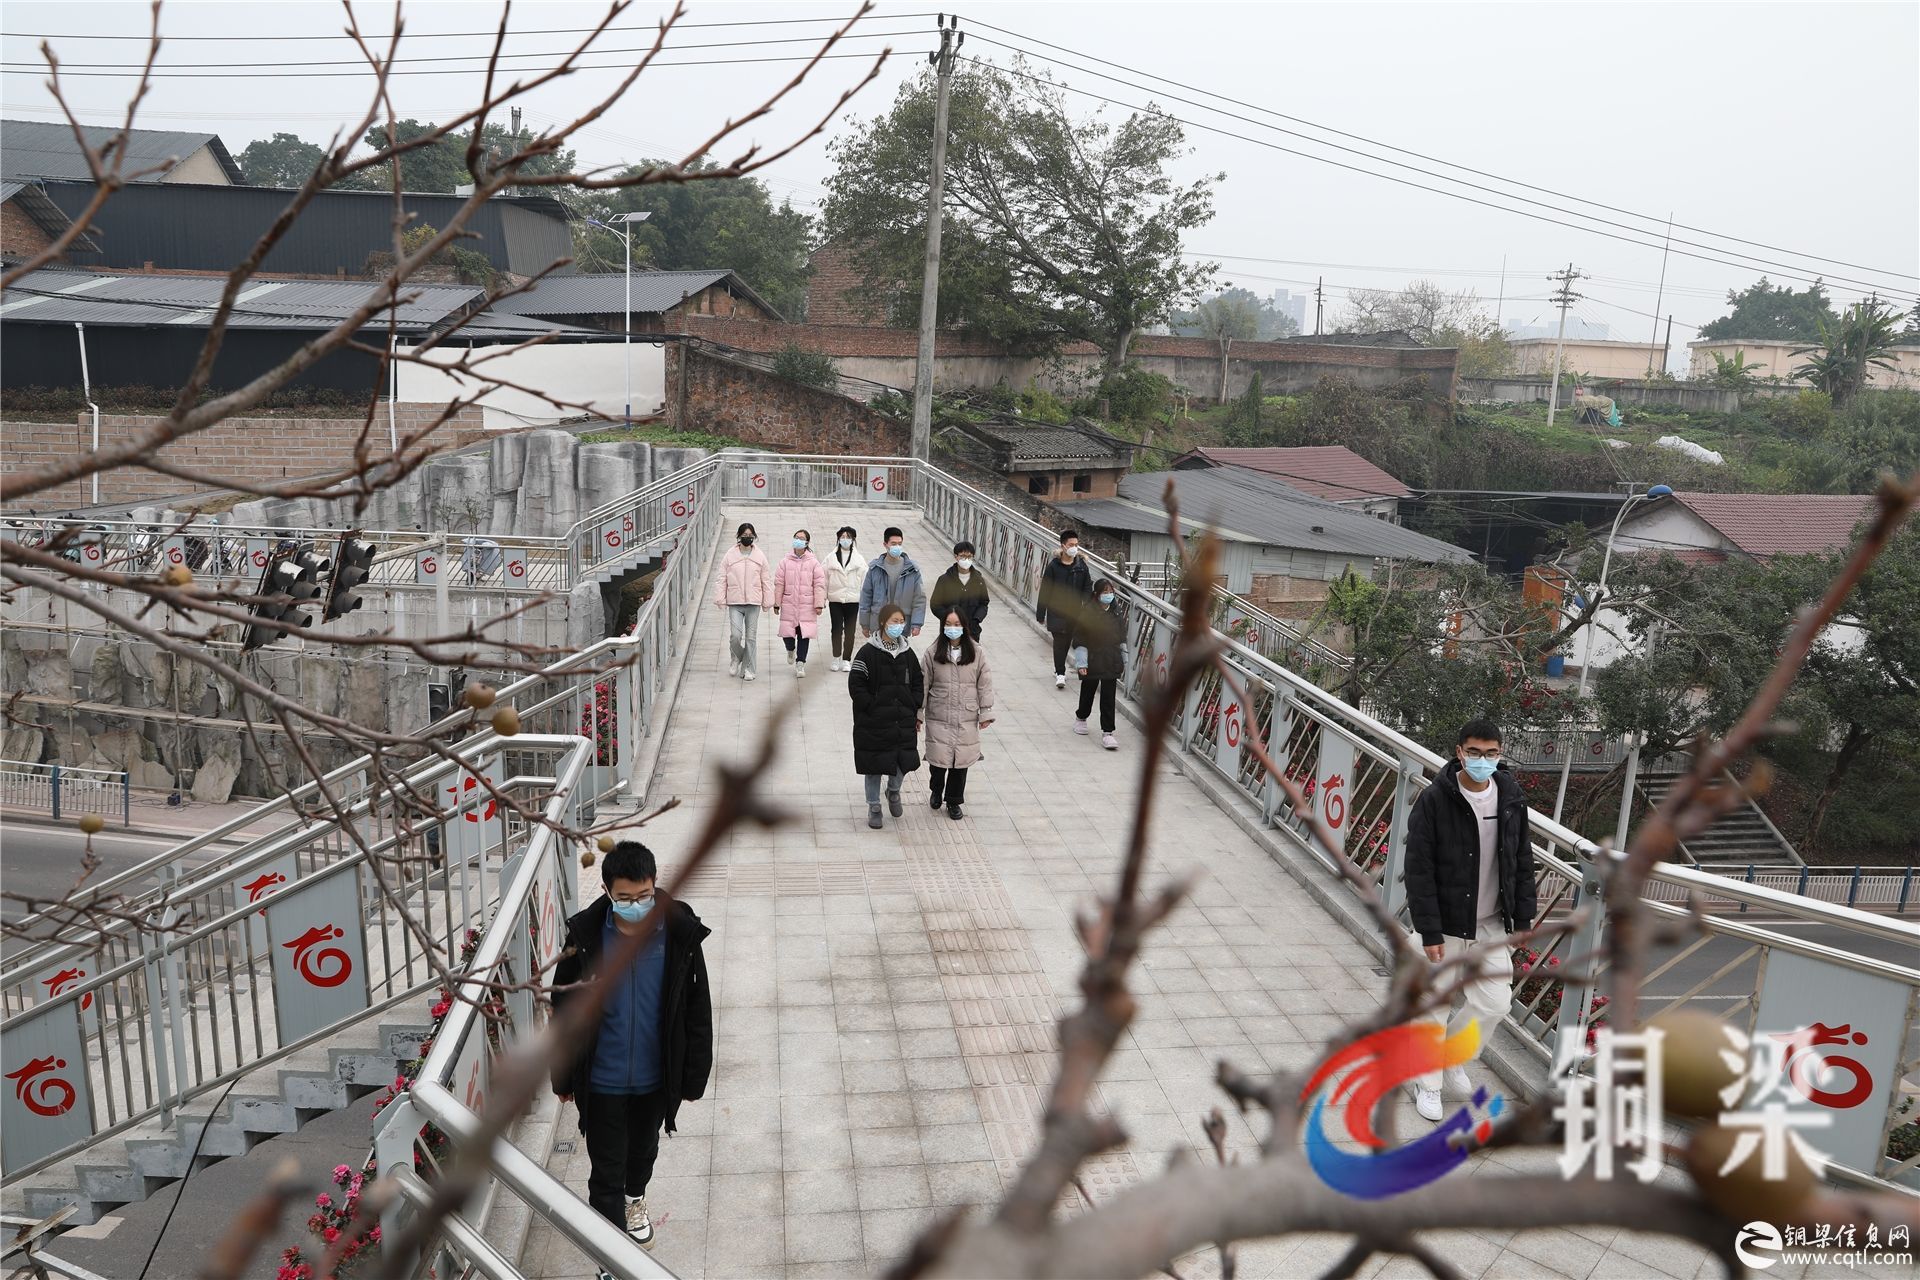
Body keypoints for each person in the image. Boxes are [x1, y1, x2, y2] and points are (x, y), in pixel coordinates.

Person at [551, 841, 713, 1256]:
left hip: (655, 1078)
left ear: (654, 885)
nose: (636, 905)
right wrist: (563, 1076)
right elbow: (563, 1008)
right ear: (607, 892)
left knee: (642, 1152)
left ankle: (635, 1199)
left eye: (643, 896)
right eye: (624, 898)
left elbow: (697, 1010)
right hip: (601, 1079)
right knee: (605, 1171)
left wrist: (692, 1078)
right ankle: (609, 1254)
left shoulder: (679, 935)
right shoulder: (586, 938)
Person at [1401, 718, 1535, 1123]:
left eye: (1491, 753)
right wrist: (1427, 928)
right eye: (1474, 752)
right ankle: (1428, 1085)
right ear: (1459, 752)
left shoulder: (1510, 796)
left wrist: (1524, 917)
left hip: (1492, 922)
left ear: (1500, 753)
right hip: (1445, 924)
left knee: (1494, 1002)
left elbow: (1521, 859)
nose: (1482, 760)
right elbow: (1419, 867)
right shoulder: (1436, 799)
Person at [848, 602, 923, 829]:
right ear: (882, 622)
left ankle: (893, 790)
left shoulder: (908, 653)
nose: (898, 626)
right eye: (894, 622)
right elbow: (856, 684)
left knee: (902, 762)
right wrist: (870, 706)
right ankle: (874, 806)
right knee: (873, 767)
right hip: (874, 723)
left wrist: (914, 705)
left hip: (902, 720)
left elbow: (918, 682)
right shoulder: (867, 653)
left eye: (901, 622)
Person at [920, 607, 996, 820]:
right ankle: (936, 789)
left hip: (966, 714)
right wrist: (918, 713)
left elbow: (985, 682)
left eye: (956, 625)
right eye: (948, 625)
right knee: (938, 759)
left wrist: (986, 712)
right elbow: (923, 684)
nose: (952, 629)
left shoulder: (976, 652)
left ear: (964, 627)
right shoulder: (932, 652)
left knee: (960, 762)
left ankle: (954, 801)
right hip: (939, 714)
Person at [1069, 578, 1126, 750]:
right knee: (1088, 691)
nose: (1108, 595)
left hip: (1111, 660)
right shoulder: (1088, 612)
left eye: (1111, 592)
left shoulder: (1116, 613)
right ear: (1096, 594)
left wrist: (1125, 660)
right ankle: (1081, 717)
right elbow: (1079, 639)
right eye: (1105, 592)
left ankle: (1107, 732)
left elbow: (1122, 638)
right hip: (1092, 659)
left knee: (1108, 698)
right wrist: (1081, 663)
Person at [712, 522, 773, 681]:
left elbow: (766, 580)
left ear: (754, 536)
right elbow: (721, 578)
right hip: (735, 602)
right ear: (739, 536)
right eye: (744, 535)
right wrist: (720, 598)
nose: (747, 538)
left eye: (750, 535)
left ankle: (750, 669)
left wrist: (768, 601)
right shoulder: (729, 556)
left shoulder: (760, 556)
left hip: (753, 603)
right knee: (735, 635)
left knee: (751, 638)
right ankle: (736, 657)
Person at [1036, 528, 1092, 689]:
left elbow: (1087, 587)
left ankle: (1081, 669)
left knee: (1076, 641)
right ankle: (1060, 673)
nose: (1074, 547)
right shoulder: (1054, 566)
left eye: (1076, 544)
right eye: (1071, 544)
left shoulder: (1081, 566)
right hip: (1057, 612)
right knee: (1060, 643)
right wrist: (1041, 613)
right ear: (1063, 546)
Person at [773, 529, 827, 678]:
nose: (798, 540)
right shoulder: (784, 562)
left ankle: (800, 663)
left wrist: (818, 604)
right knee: (787, 634)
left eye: (801, 538)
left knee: (804, 635)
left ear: (807, 542)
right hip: (789, 603)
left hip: (806, 605)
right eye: (796, 537)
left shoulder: (814, 563)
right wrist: (777, 603)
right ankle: (790, 649)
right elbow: (779, 583)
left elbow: (819, 584)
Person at [858, 526, 927, 640]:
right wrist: (865, 624)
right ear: (885, 544)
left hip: (901, 625)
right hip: (878, 624)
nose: (897, 547)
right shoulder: (875, 569)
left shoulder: (912, 570)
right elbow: (866, 598)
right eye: (893, 544)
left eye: (899, 544)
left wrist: (917, 624)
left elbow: (919, 599)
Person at [824, 525, 866, 673]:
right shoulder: (830, 558)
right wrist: (822, 599)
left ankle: (847, 659)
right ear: (838, 539)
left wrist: (864, 600)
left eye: (848, 537)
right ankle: (836, 657)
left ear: (853, 539)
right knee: (836, 629)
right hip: (835, 599)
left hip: (852, 600)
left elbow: (864, 581)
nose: (845, 540)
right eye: (842, 537)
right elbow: (824, 579)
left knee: (850, 631)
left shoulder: (859, 559)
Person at [928, 540, 990, 639]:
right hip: (950, 631)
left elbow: (984, 603)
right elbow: (935, 604)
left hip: (972, 631)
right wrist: (949, 620)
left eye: (969, 557)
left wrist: (976, 620)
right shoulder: (944, 580)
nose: (966, 560)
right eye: (962, 556)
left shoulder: (979, 580)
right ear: (956, 556)